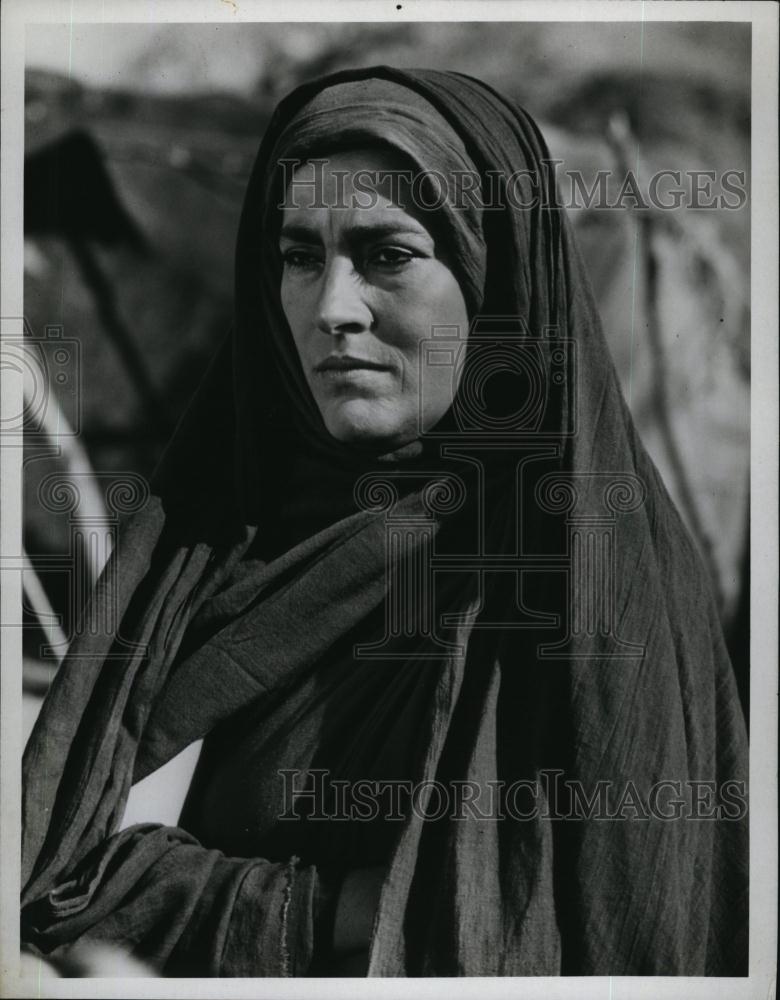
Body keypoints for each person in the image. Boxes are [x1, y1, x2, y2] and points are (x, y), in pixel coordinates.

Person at [21, 66, 748, 978]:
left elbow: (585, 925)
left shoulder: (588, 572)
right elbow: (50, 870)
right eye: (296, 256)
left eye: (387, 255)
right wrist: (336, 907)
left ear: (495, 281)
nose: (330, 307)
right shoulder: (216, 542)